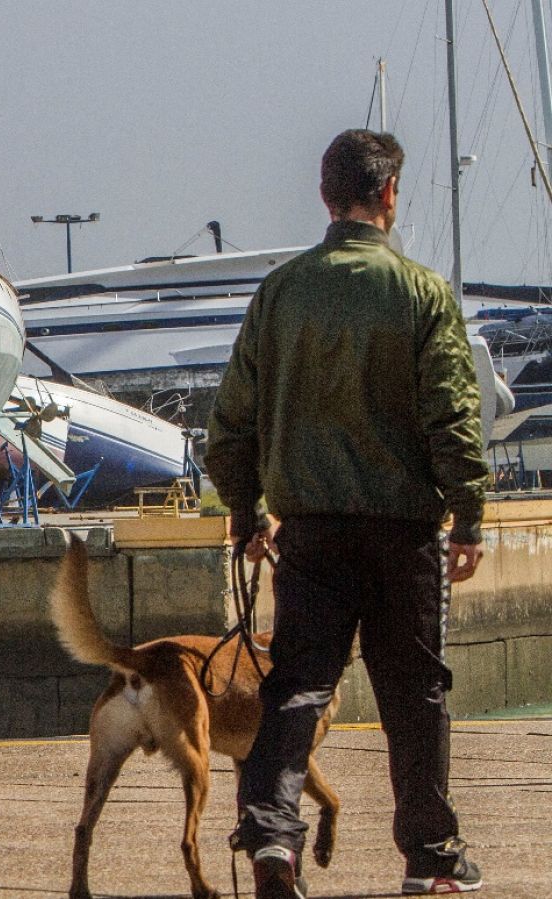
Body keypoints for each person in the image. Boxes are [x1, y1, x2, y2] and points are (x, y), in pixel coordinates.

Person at [206, 129, 489, 898]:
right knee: (415, 693)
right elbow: (452, 418)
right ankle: (429, 856)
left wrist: (244, 508)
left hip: (312, 531)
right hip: (403, 534)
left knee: (296, 683)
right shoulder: (422, 292)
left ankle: (270, 836)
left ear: (326, 196)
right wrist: (467, 515)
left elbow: (231, 420)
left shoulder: (281, 293)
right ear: (390, 195)